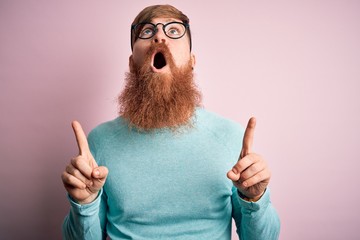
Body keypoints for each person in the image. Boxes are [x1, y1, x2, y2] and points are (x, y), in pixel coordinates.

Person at [61, 4, 280, 240]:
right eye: (146, 32)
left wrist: (255, 199)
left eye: (174, 31)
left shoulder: (229, 137)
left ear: (192, 61)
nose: (159, 36)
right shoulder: (101, 141)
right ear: (132, 64)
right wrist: (83, 204)